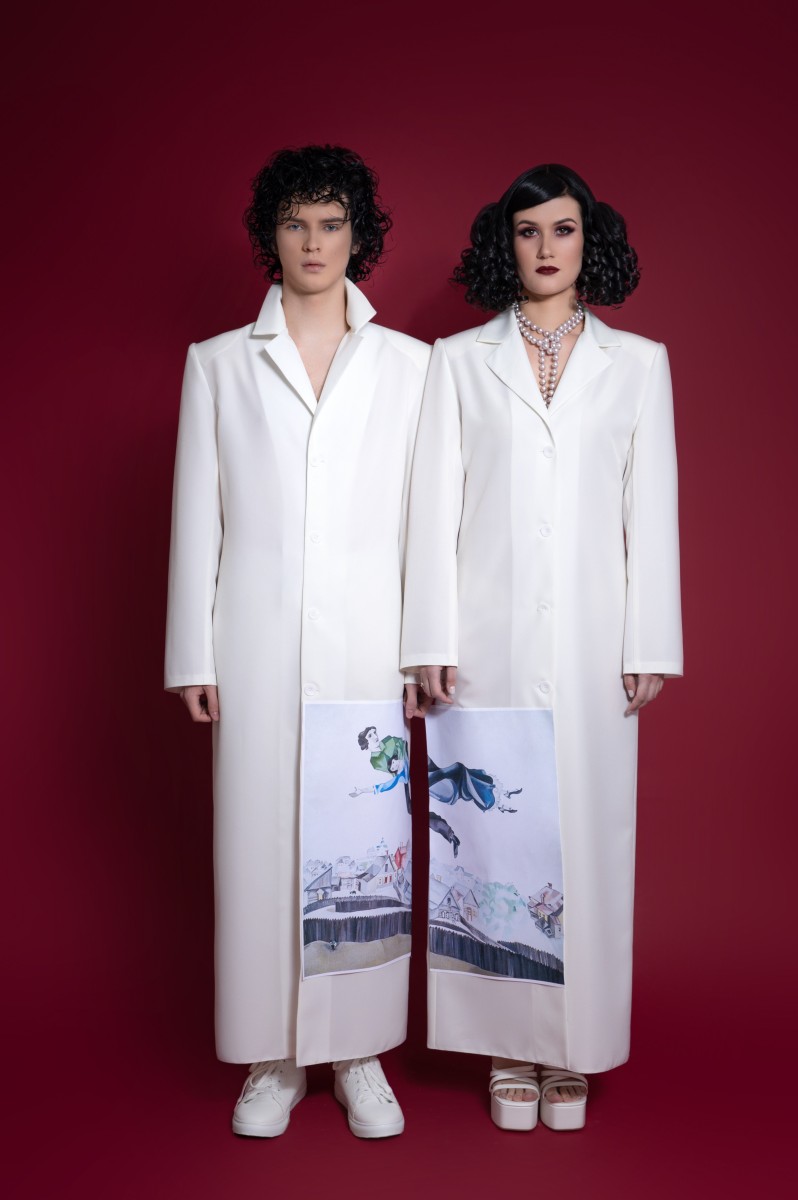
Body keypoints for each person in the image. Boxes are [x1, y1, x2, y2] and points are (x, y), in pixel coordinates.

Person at [402, 164, 682, 1131]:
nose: (547, 247)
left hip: (598, 639)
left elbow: (651, 512)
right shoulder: (455, 360)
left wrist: (649, 639)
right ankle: (506, 1048)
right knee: (493, 845)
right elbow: (432, 507)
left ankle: (574, 1050)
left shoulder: (638, 364)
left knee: (589, 841)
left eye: (563, 229)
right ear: (506, 243)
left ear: (588, 240)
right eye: (528, 231)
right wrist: (427, 638)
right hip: (483, 641)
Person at [165, 145, 429, 1139]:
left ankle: (357, 1052)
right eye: (294, 223)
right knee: (261, 842)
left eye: (331, 223)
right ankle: (272, 1058)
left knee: (362, 851)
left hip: (369, 646)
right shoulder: (219, 363)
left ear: (358, 236)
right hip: (255, 643)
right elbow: (199, 517)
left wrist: (422, 645)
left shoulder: (410, 365)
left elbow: (425, 523)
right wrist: (191, 653)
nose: (313, 242)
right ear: (269, 237)